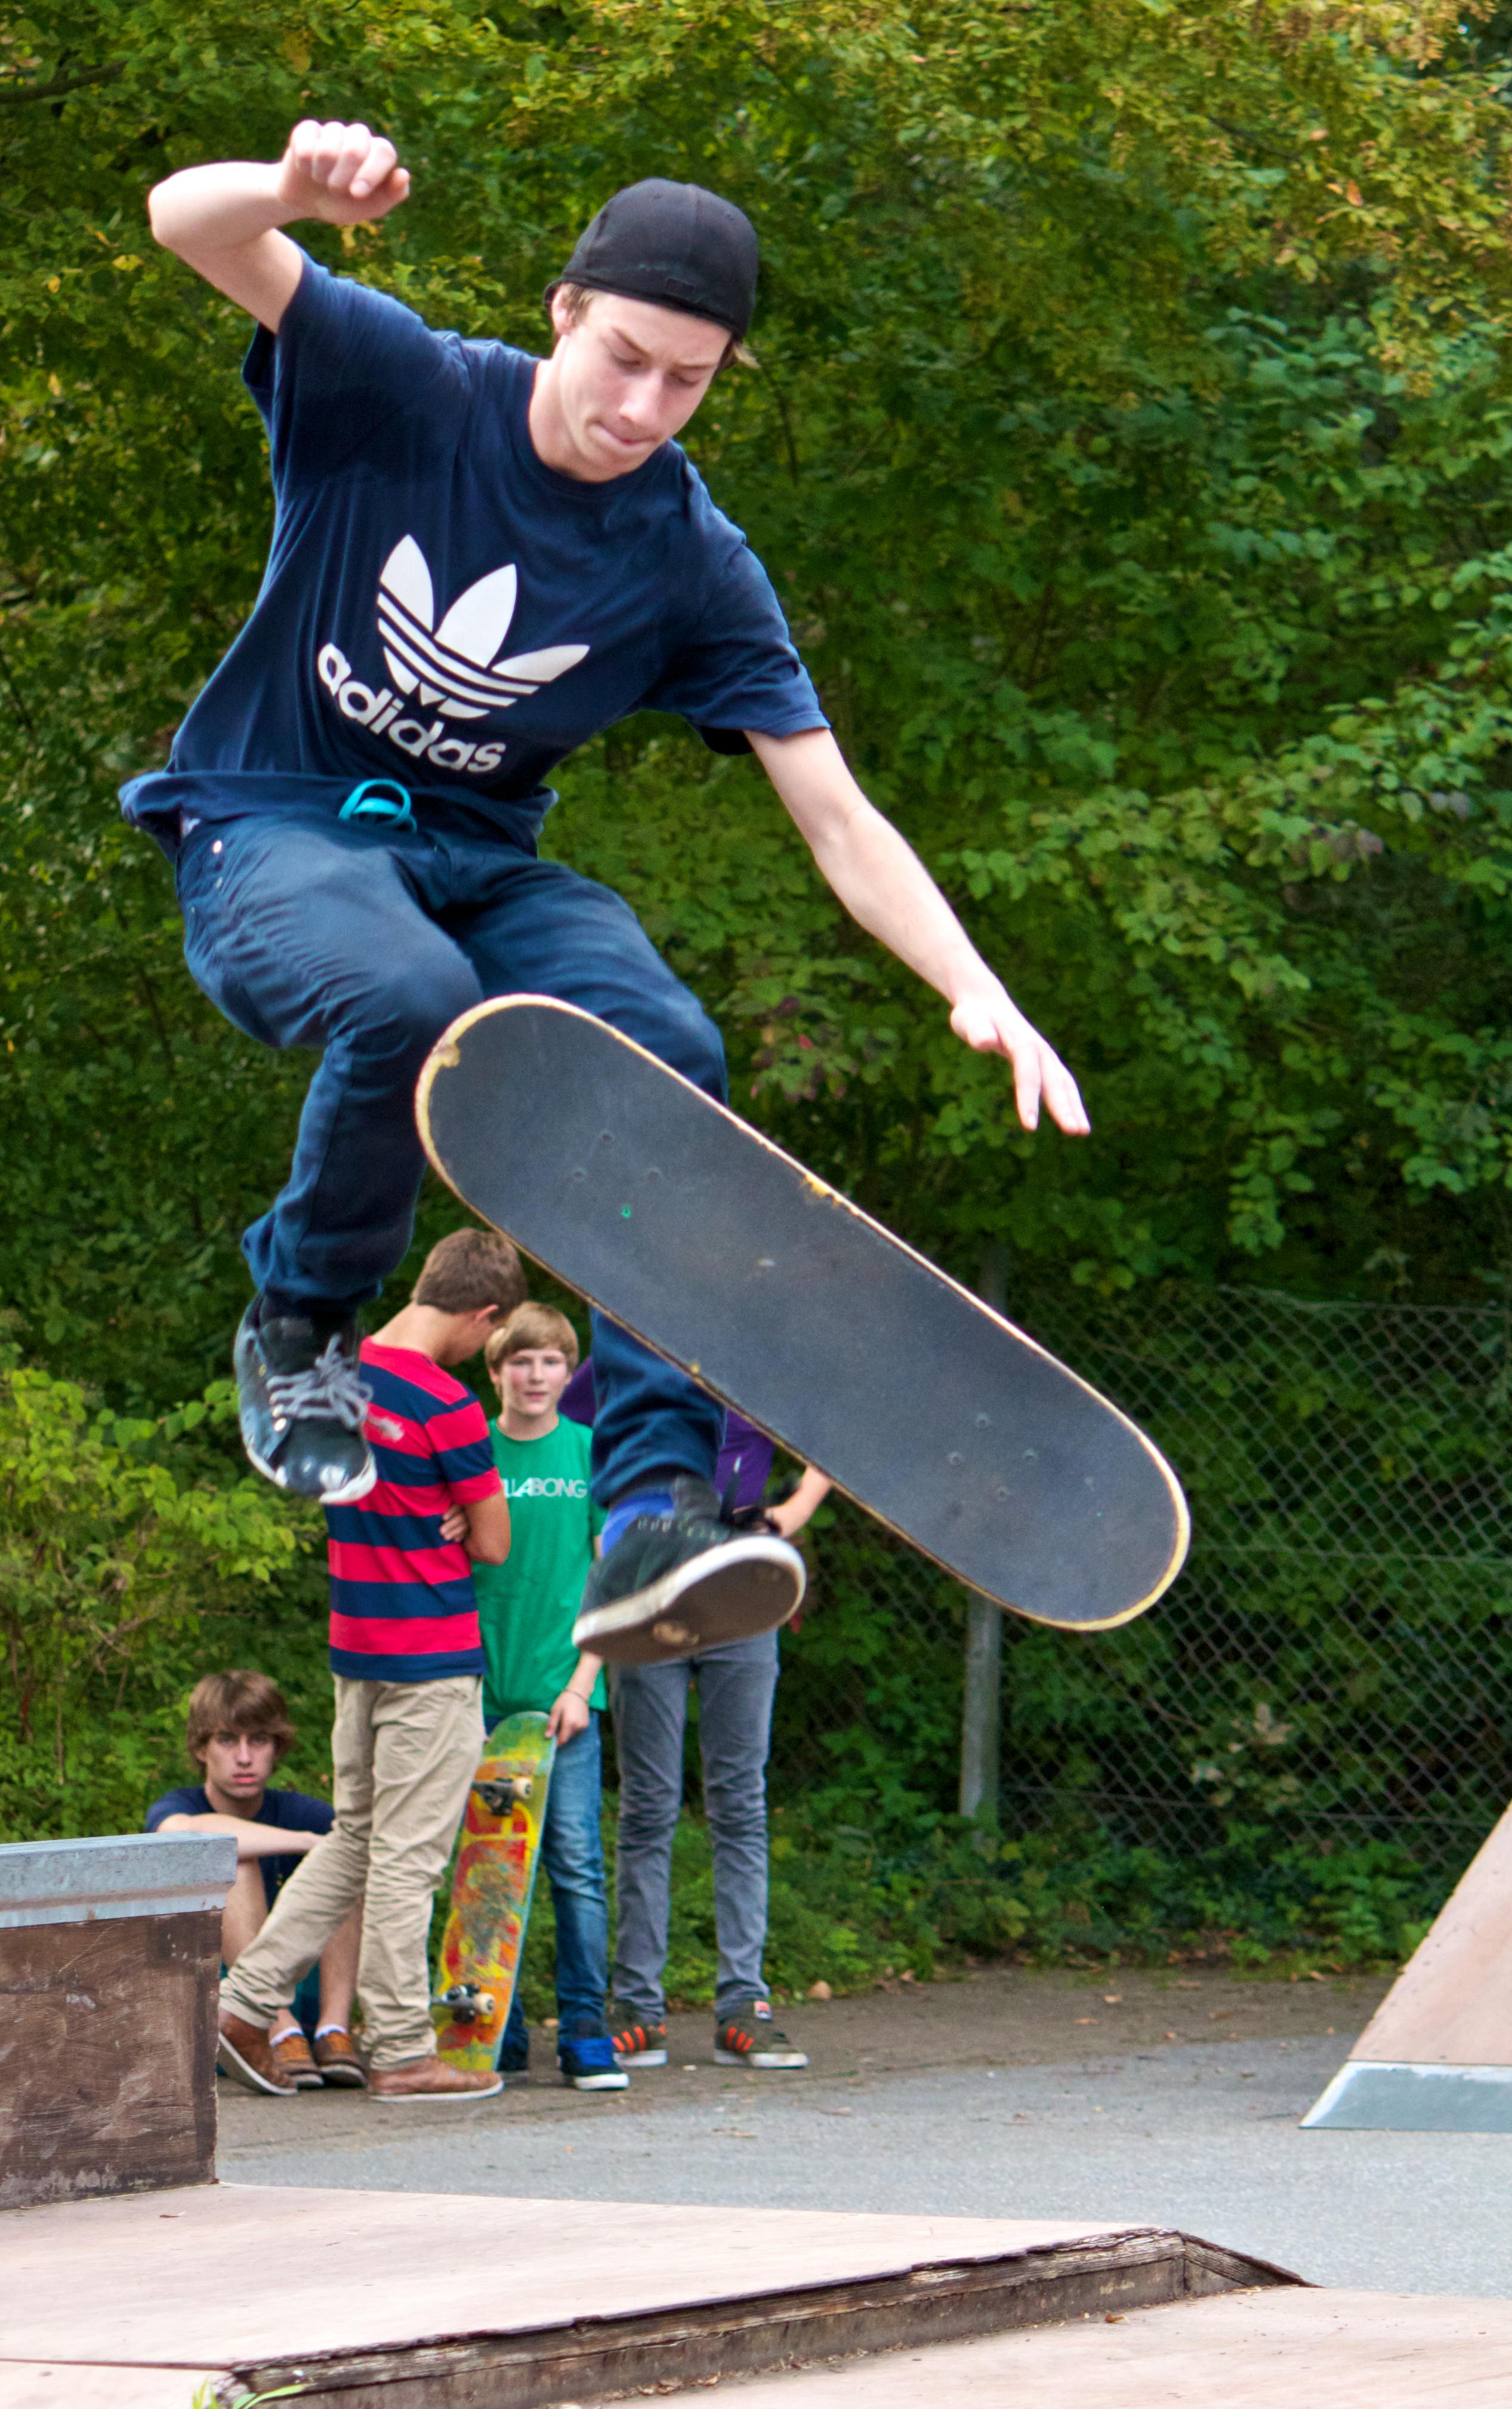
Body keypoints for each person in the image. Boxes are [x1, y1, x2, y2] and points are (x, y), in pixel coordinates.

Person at [131, 121, 1087, 1666]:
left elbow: (837, 816)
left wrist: (972, 982)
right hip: (273, 824)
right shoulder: (405, 385)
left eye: (687, 382)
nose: (642, 409)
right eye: (624, 359)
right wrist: (293, 193)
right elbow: (187, 220)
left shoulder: (690, 555)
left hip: (476, 860)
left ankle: (651, 1504)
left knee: (667, 1047)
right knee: (412, 996)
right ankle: (300, 1321)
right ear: (565, 309)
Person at [214, 1228, 520, 2103]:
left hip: (358, 1647)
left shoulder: (335, 1373)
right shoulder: (448, 1403)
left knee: (355, 1840)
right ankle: (401, 2050)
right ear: (483, 1314)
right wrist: (456, 1509)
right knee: (406, 1861)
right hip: (431, 1656)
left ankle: (243, 2004)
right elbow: (494, 1542)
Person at [562, 1357, 829, 2069]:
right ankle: (637, 2008)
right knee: (647, 1803)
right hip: (650, 1584)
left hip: (742, 1582)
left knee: (739, 1800)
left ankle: (744, 2004)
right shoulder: (635, 1350)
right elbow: (563, 1427)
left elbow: (835, 1437)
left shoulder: (756, 1352)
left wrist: (791, 1512)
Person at [463, 1302, 622, 2091]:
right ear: (495, 1371)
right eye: (520, 1361)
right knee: (489, 1871)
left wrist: (582, 1687)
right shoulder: (471, 1452)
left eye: (551, 1361)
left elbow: (611, 1582)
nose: (535, 1375)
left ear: (568, 1372)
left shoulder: (590, 1452)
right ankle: (500, 2030)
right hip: (480, 1702)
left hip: (565, 1707)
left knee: (575, 1869)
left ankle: (587, 2033)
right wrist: (460, 1695)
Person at [147, 1668, 365, 2088]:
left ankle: (334, 2031)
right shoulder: (179, 1805)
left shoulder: (302, 1810)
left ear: (276, 1747)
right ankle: (274, 2028)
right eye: (228, 1741)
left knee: (345, 1864)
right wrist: (308, 1842)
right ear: (202, 1748)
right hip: (213, 2011)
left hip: (306, 2003)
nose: (244, 1757)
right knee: (232, 1858)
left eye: (259, 1740)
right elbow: (180, 1834)